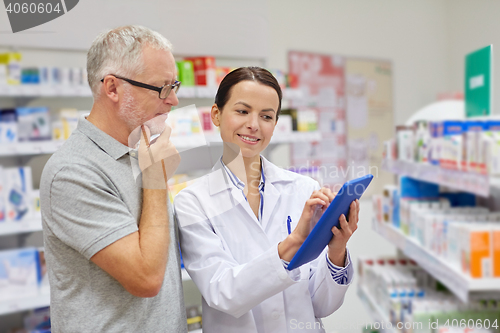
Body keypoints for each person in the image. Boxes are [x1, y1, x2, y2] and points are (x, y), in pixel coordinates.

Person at [174, 67, 360, 333]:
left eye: (266, 116)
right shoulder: (192, 202)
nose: (254, 124)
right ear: (217, 114)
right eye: (242, 111)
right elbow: (223, 293)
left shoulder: (304, 189)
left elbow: (321, 305)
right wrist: (294, 241)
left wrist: (336, 249)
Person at [40, 25, 187, 332]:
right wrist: (157, 180)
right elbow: (146, 278)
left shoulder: (141, 153)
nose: (172, 100)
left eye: (174, 86)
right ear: (112, 88)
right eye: (161, 88)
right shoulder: (73, 171)